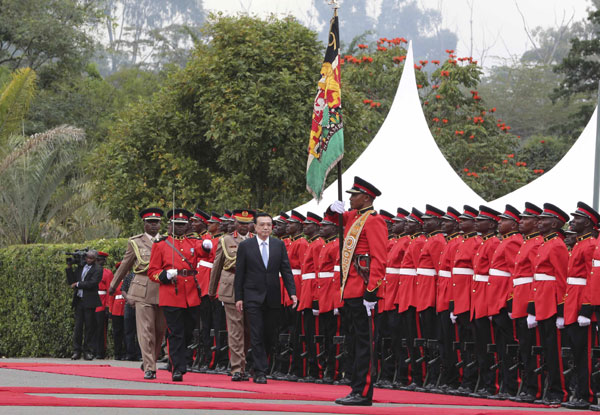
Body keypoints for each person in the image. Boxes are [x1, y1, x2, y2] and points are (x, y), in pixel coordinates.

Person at [329, 176, 388, 406]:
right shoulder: (354, 217)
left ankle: (363, 392)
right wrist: (331, 209)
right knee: (353, 342)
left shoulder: (374, 221)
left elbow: (379, 259)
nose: (350, 198)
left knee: (365, 343)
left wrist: (371, 292)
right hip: (349, 290)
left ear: (366, 198)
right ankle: (355, 387)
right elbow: (335, 218)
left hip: (363, 291)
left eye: (354, 195)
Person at [234, 212, 298, 384]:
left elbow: (286, 270)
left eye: (269, 225)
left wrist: (292, 292)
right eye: (262, 224)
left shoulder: (278, 245)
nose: (265, 228)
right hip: (252, 296)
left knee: (270, 334)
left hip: (272, 296)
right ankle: (260, 371)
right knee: (256, 333)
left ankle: (260, 364)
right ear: (254, 227)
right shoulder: (246, 246)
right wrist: (238, 297)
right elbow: (239, 273)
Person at [148, 208, 211, 382]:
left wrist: (207, 246)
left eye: (184, 225)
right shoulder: (161, 244)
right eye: (178, 225)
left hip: (191, 292)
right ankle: (177, 367)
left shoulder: (193, 242)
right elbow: (152, 271)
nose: (181, 228)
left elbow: (206, 253)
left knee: (189, 331)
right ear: (171, 225)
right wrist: (164, 276)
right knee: (176, 332)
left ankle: (182, 361)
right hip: (171, 292)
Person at [109, 207, 166, 380]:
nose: (154, 226)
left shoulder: (167, 241)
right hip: (142, 288)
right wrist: (113, 285)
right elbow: (125, 265)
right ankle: (150, 367)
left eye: (156, 223)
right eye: (150, 223)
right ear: (144, 224)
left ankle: (152, 359)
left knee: (159, 330)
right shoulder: (135, 242)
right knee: (145, 329)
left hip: (163, 289)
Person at [560, 202, 599, 409]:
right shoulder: (580, 244)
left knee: (585, 352)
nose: (573, 221)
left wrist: (586, 308)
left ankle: (588, 394)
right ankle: (581, 392)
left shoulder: (591, 244)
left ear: (589, 222)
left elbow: (591, 280)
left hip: (582, 301)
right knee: (577, 351)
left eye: (578, 218)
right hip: (573, 300)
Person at [529, 203, 569, 405]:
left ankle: (558, 391)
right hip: (543, 302)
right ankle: (549, 389)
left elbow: (562, 279)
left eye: (543, 219)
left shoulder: (557, 245)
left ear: (554, 223)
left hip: (553, 304)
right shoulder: (546, 243)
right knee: (547, 349)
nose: (539, 222)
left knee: (555, 352)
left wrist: (561, 310)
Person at [209, 209, 254, 381]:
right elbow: (217, 265)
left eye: (246, 223)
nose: (243, 226)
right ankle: (237, 368)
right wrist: (212, 289)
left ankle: (243, 363)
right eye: (240, 223)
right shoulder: (226, 240)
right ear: (235, 223)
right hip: (231, 286)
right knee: (235, 330)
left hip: (251, 288)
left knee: (248, 330)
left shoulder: (256, 240)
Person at [487, 204, 523, 399]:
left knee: (508, 346)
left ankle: (510, 385)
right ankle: (504, 384)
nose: (499, 222)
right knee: (501, 346)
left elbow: (513, 275)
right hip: (496, 300)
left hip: (503, 300)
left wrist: (509, 301)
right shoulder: (506, 241)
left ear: (514, 224)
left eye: (504, 220)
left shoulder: (513, 242)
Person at [66, 249, 103, 361]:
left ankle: (87, 351)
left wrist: (78, 284)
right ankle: (76, 351)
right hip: (79, 300)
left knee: (89, 327)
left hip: (90, 301)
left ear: (95, 259)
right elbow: (71, 281)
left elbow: (92, 283)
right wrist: (69, 268)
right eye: (87, 257)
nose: (88, 260)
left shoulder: (98, 269)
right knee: (78, 327)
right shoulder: (81, 266)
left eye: (91, 258)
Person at [94, 251, 113, 359]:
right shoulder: (91, 271)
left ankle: (100, 351)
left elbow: (109, 291)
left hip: (101, 302)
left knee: (101, 329)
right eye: (97, 260)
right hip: (92, 301)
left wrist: (107, 306)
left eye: (100, 260)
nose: (98, 262)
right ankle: (91, 349)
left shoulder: (107, 273)